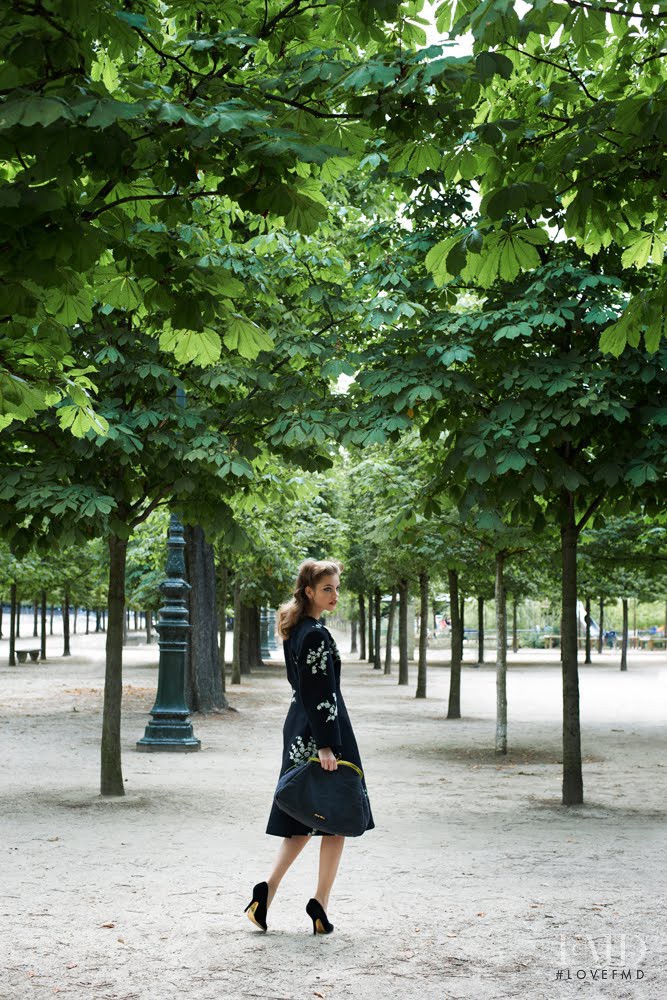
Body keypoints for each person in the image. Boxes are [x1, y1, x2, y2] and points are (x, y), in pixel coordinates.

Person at [244, 558, 374, 935]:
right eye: (327, 588)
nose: (335, 594)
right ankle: (316, 903)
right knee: (336, 815)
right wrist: (327, 746)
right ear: (309, 592)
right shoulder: (315, 634)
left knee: (304, 817)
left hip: (304, 724)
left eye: (336, 588)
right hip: (323, 729)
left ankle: (268, 894)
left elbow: (304, 688)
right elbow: (319, 691)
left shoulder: (298, 628)